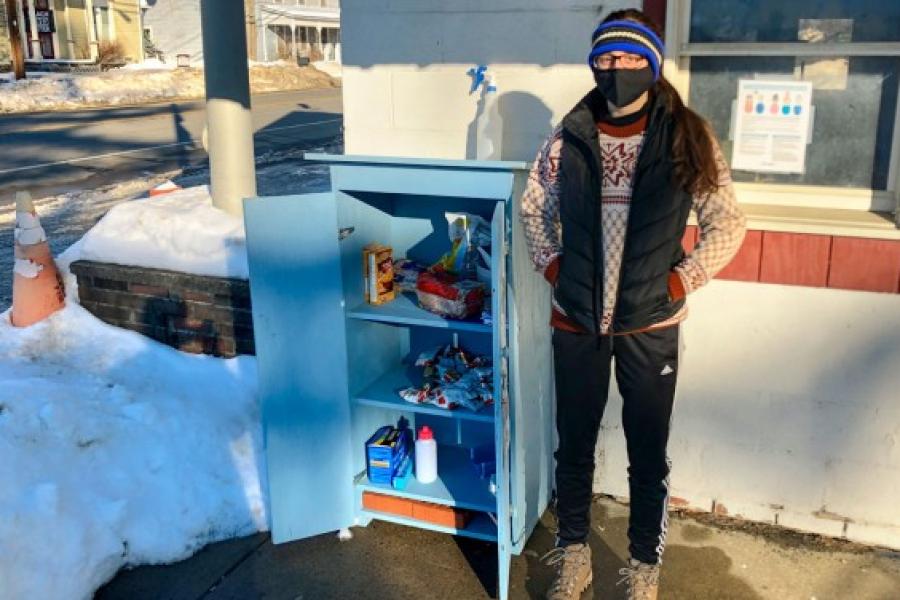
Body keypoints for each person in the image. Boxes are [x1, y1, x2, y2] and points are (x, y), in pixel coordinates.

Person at [520, 9, 746, 600]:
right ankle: (574, 556)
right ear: (594, 63)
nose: (617, 69)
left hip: (650, 323)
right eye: (606, 58)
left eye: (630, 58)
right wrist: (551, 265)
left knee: (647, 451)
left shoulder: (685, 136)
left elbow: (728, 221)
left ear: (653, 63)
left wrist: (683, 280)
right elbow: (533, 208)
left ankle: (644, 565)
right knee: (574, 443)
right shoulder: (568, 136)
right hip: (577, 319)